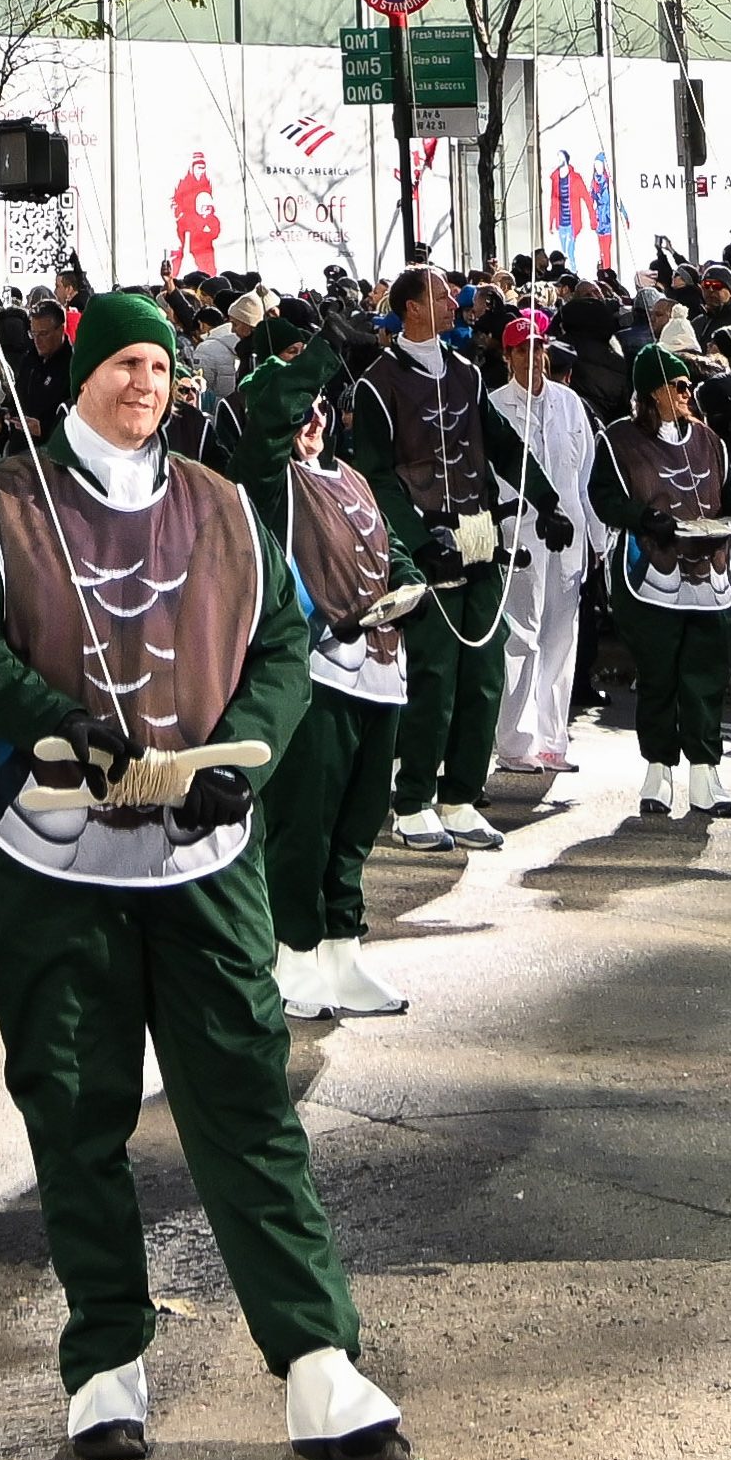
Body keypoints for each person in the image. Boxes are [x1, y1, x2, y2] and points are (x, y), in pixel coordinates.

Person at [0, 288, 406, 1460]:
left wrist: (248, 757)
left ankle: (317, 1356)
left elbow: (282, 645)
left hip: (203, 860)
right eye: (122, 363)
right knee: (76, 1109)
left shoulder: (224, 502)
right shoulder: (1, 504)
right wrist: (56, 722)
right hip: (54, 860)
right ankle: (104, 1358)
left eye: (158, 364)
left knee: (245, 1101)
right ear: (81, 375)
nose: (144, 383)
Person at [261, 388, 418, 1026]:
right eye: (301, 408)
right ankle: (293, 951)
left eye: (322, 407)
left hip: (380, 669)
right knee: (306, 819)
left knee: (359, 817)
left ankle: (341, 947)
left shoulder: (351, 477)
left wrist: (410, 576)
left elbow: (386, 546)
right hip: (319, 672)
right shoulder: (273, 482)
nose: (314, 420)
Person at [343, 272, 510, 852]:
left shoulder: (468, 373)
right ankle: (413, 800)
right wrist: (416, 541)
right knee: (433, 679)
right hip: (428, 547)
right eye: (440, 296)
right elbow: (376, 476)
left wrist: (546, 500)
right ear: (412, 308)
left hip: (479, 538)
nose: (453, 303)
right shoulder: (377, 384)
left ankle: (462, 797)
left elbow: (500, 442)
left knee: (484, 674)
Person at [598, 340, 731, 826]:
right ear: (652, 392)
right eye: (678, 385)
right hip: (652, 574)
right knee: (658, 676)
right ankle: (657, 769)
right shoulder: (618, 439)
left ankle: (706, 772)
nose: (687, 393)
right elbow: (603, 497)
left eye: (688, 385)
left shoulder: (709, 439)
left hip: (711, 575)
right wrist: (643, 518)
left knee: (705, 675)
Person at [486, 311, 593, 783]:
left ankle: (552, 739)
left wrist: (596, 537)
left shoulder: (569, 403)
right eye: (522, 350)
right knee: (521, 636)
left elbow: (584, 474)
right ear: (507, 356)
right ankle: (513, 741)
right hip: (520, 534)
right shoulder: (494, 406)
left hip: (568, 536)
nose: (533, 358)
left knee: (560, 637)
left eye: (539, 349)